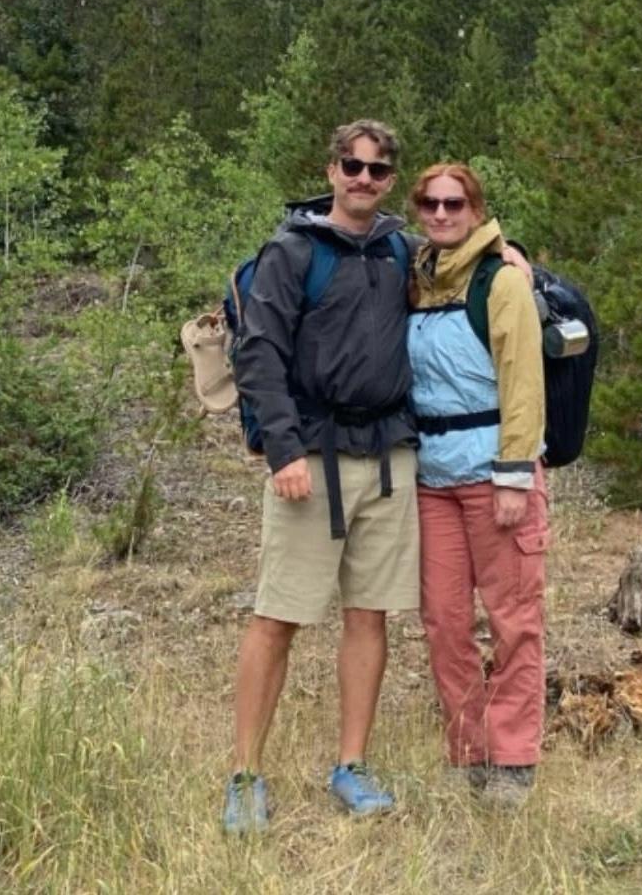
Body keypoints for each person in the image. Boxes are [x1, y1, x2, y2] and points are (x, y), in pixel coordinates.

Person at [223, 120, 419, 833]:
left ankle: (352, 765)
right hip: (312, 457)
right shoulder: (293, 251)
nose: (364, 178)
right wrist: (283, 450)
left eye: (378, 169)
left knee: (369, 615)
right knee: (278, 617)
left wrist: (512, 257)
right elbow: (258, 353)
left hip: (390, 455)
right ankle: (246, 776)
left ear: (391, 179)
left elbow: (466, 268)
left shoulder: (402, 250)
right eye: (352, 165)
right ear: (331, 169)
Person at [407, 162, 550, 807]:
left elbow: (523, 381)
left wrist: (514, 474)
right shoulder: (418, 278)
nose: (442, 214)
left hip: (496, 476)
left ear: (476, 210)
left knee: (513, 619)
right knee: (444, 621)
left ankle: (513, 760)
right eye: (430, 204)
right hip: (433, 480)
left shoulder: (502, 280)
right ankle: (466, 752)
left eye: (454, 204)